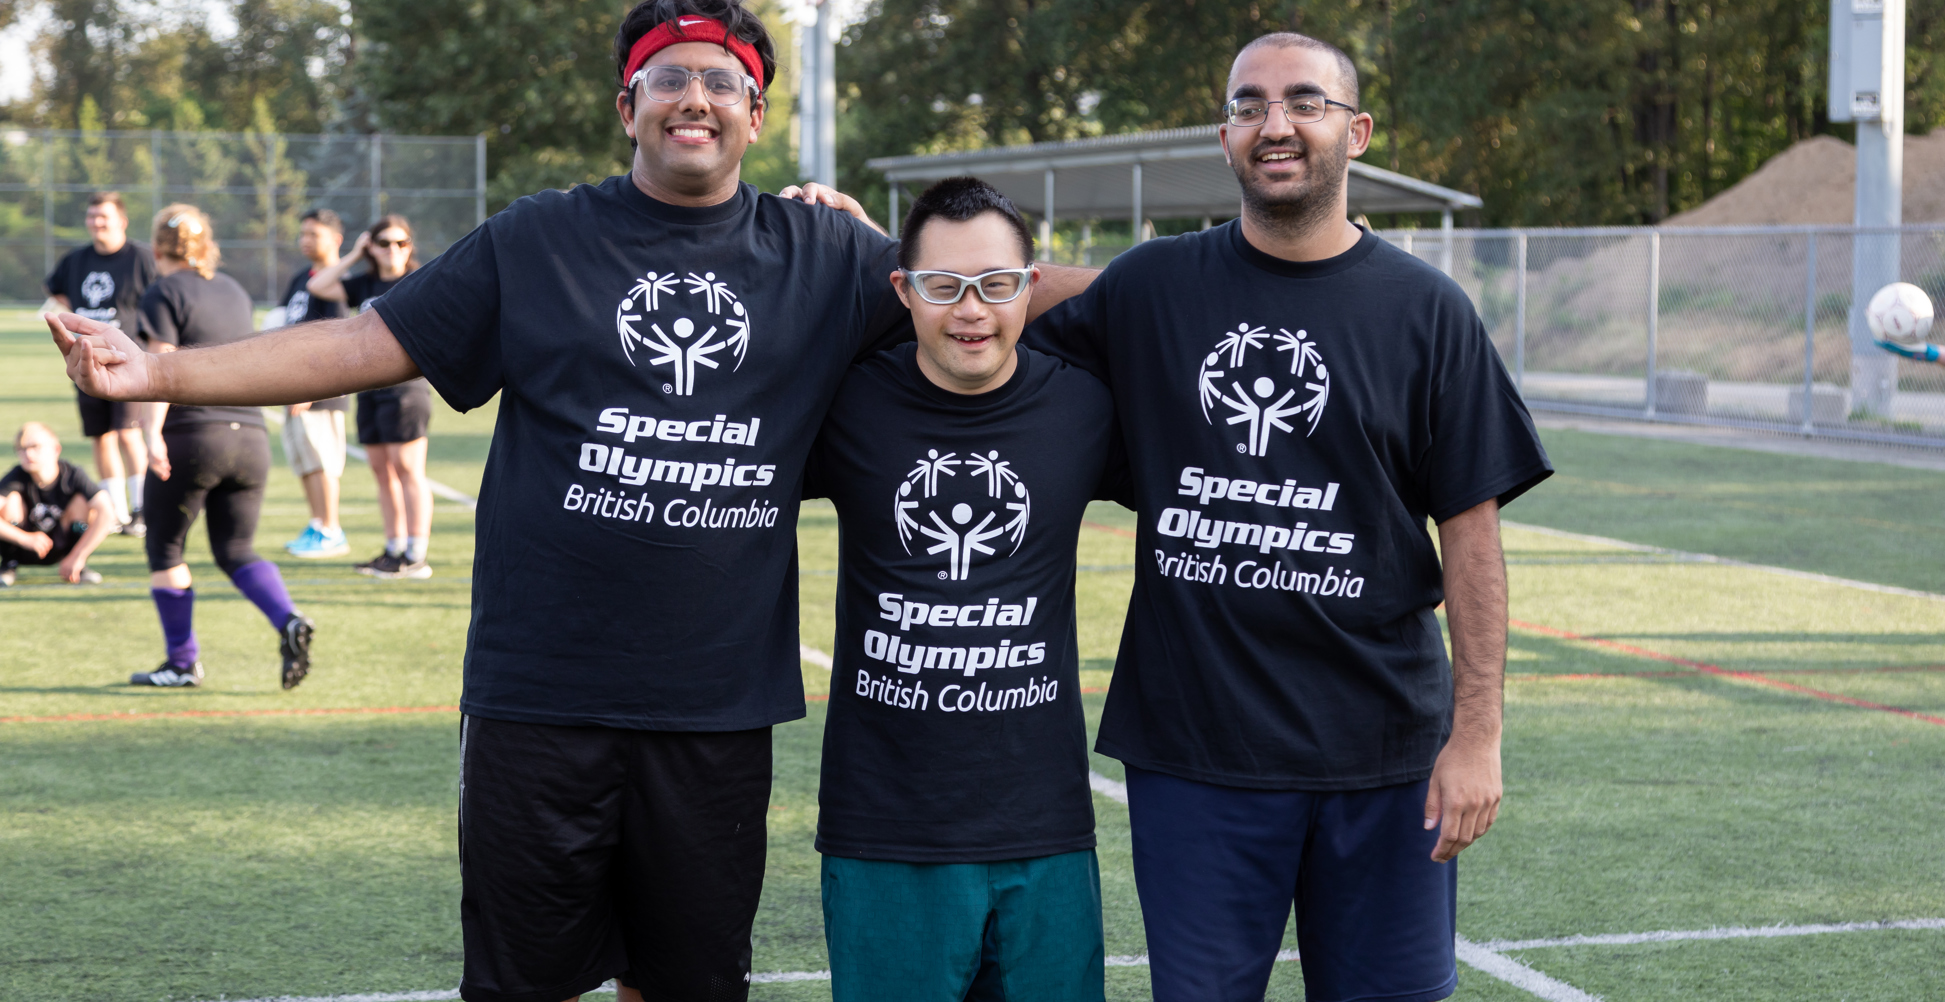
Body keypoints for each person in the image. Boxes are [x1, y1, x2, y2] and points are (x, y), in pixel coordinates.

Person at [45, 2, 1093, 999]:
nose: (695, 97)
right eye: (667, 78)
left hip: (714, 714)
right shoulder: (540, 238)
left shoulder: (826, 256)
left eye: (720, 81)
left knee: (682, 982)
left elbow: (1010, 287)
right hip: (538, 698)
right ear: (626, 107)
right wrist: (160, 373)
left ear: (755, 114)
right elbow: (370, 343)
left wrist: (1203, 281)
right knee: (522, 982)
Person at [1025, 33, 1553, 1002]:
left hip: (1383, 755)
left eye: (1303, 103)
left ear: (1354, 133)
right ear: (1223, 136)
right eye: (1248, 105)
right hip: (1195, 752)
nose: (1275, 125)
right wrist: (864, 245)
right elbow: (992, 308)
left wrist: (1475, 735)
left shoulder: (1427, 313)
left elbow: (1471, 537)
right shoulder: (1152, 289)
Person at [805, 177, 1122, 1002]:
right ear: (903, 291)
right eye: (943, 286)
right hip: (886, 830)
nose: (971, 310)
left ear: (1031, 288)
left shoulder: (1086, 406)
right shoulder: (842, 400)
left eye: (996, 284)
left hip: (1045, 826)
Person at [127, 204, 317, 691]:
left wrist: (150, 435)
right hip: (249, 437)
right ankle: (287, 619)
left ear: (156, 248)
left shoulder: (163, 291)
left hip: (192, 437)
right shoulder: (232, 291)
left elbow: (160, 369)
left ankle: (182, 662)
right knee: (236, 548)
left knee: (166, 550)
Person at [308, 214, 432, 577]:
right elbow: (320, 286)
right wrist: (352, 255)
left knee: (409, 469)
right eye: (383, 243)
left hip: (406, 392)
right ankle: (394, 549)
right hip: (370, 392)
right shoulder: (364, 283)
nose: (392, 250)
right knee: (382, 471)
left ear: (410, 246)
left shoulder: (419, 280)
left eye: (400, 243)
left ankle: (416, 554)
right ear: (371, 247)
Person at [43, 191, 156, 537]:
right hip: (86, 359)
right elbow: (56, 290)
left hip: (126, 360)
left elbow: (160, 297)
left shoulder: (141, 258)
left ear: (121, 221)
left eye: (103, 217)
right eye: (92, 216)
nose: (96, 223)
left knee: (129, 433)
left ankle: (142, 510)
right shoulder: (76, 259)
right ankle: (116, 512)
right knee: (102, 436)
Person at [277, 208, 353, 559]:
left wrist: (310, 389)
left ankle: (331, 529)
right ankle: (317, 522)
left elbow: (335, 342)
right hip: (292, 388)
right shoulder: (298, 279)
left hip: (319, 392)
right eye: (303, 233)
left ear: (335, 240)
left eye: (314, 234)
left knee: (323, 461)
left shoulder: (336, 283)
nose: (305, 240)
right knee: (303, 460)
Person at [1, 422, 115, 587]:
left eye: (35, 447)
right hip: (24, 546)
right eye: (22, 449)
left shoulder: (72, 474)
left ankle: (77, 566)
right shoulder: (16, 476)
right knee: (11, 500)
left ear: (56, 449)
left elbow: (108, 512)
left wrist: (79, 556)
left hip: (61, 548)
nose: (28, 454)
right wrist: (24, 538)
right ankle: (9, 564)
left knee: (83, 502)